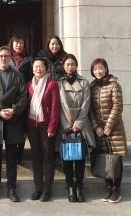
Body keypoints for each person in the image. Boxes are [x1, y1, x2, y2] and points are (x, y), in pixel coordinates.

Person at [0, 45, 29, 202]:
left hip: (13, 121)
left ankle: (11, 188)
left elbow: (24, 97)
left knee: (11, 159)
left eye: (6, 56)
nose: (3, 58)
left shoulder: (18, 76)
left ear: (11, 58)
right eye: (1, 56)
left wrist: (14, 110)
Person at [57, 54, 95, 203]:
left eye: (73, 64)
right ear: (63, 66)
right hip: (65, 127)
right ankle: (70, 187)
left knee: (79, 158)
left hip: (81, 126)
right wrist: (67, 125)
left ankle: (79, 186)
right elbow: (59, 107)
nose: (70, 67)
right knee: (67, 159)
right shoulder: (59, 83)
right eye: (67, 64)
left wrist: (77, 125)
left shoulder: (84, 82)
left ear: (76, 65)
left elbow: (86, 104)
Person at [90, 58, 128, 203]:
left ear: (106, 69)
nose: (98, 71)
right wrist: (96, 127)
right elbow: (90, 110)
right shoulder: (92, 86)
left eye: (100, 68)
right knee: (104, 160)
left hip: (114, 130)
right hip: (99, 131)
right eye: (95, 69)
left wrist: (107, 128)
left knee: (115, 159)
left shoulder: (114, 85)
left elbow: (118, 107)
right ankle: (108, 188)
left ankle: (116, 190)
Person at [26, 57, 60, 202]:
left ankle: (47, 189)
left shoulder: (52, 84)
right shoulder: (29, 85)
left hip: (46, 126)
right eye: (36, 66)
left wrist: (52, 127)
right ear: (32, 69)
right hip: (32, 126)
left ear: (46, 68)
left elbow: (55, 108)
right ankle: (38, 188)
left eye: (41, 66)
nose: (38, 69)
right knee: (36, 157)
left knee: (48, 157)